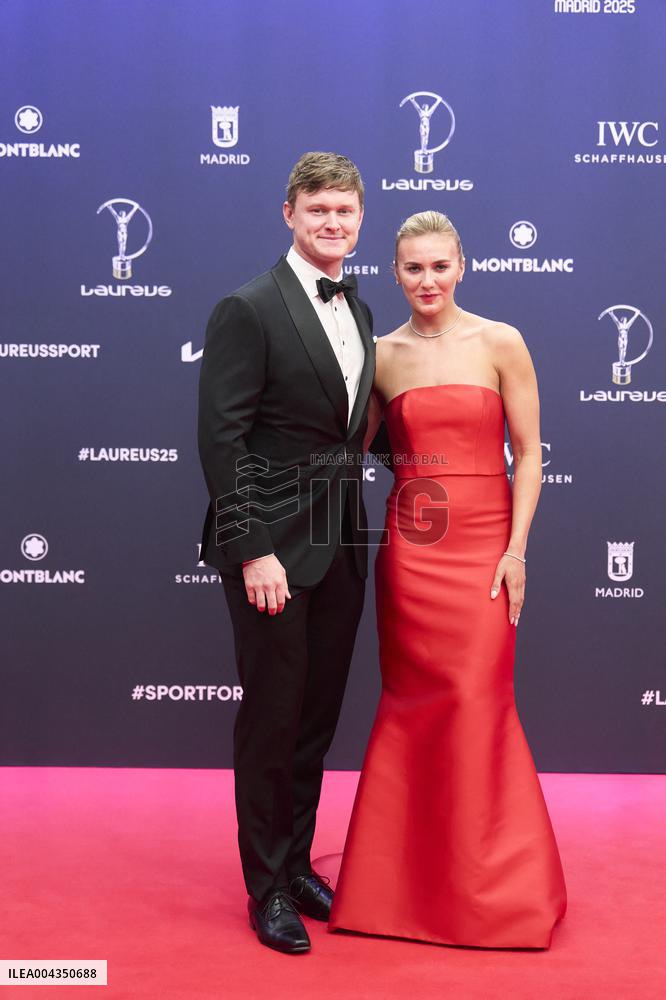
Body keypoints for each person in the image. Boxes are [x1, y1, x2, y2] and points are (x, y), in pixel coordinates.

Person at [329, 211, 567, 949]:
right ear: (394, 273)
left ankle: (492, 893)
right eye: (412, 268)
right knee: (413, 706)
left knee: (477, 701)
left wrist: (516, 548)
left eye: (439, 265)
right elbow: (342, 445)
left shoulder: (501, 342)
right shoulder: (382, 354)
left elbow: (527, 454)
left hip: (485, 547)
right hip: (413, 549)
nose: (427, 280)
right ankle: (396, 892)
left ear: (463, 266)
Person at [197, 152, 375, 954]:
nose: (332, 222)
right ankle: (265, 888)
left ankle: (298, 863)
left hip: (340, 547)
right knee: (271, 721)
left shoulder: (360, 309)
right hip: (270, 552)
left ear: (360, 217)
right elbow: (221, 438)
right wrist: (252, 549)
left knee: (313, 723)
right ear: (289, 214)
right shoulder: (249, 307)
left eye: (344, 210)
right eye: (318, 210)